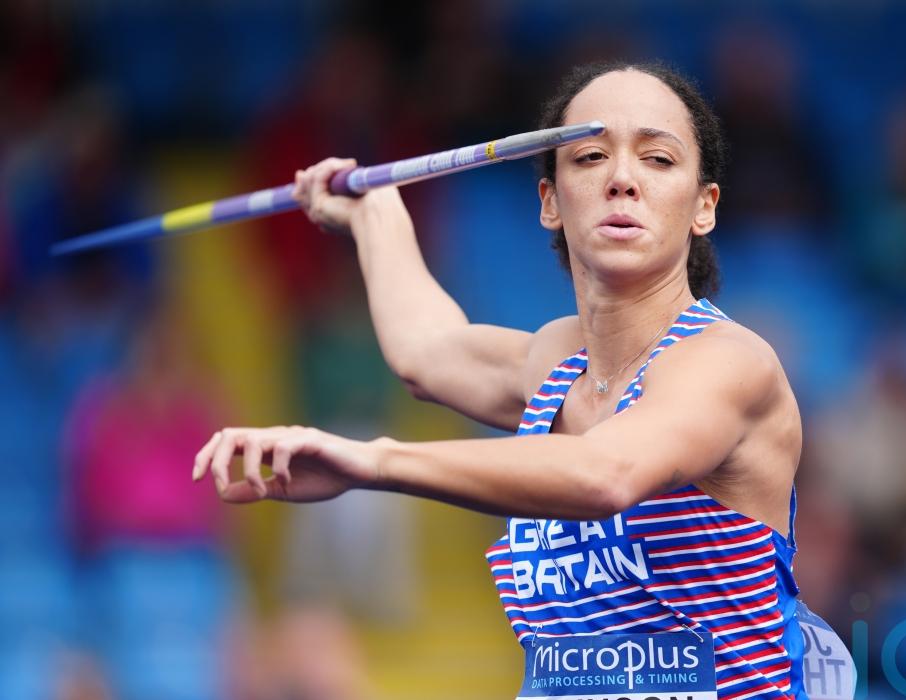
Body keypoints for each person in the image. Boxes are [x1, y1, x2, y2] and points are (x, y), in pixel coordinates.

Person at [194, 61, 853, 700]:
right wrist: (374, 215)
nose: (622, 178)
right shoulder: (556, 362)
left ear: (704, 207)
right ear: (550, 201)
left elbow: (606, 475)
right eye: (590, 157)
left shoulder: (728, 361)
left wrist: (373, 462)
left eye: (657, 158)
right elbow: (428, 353)